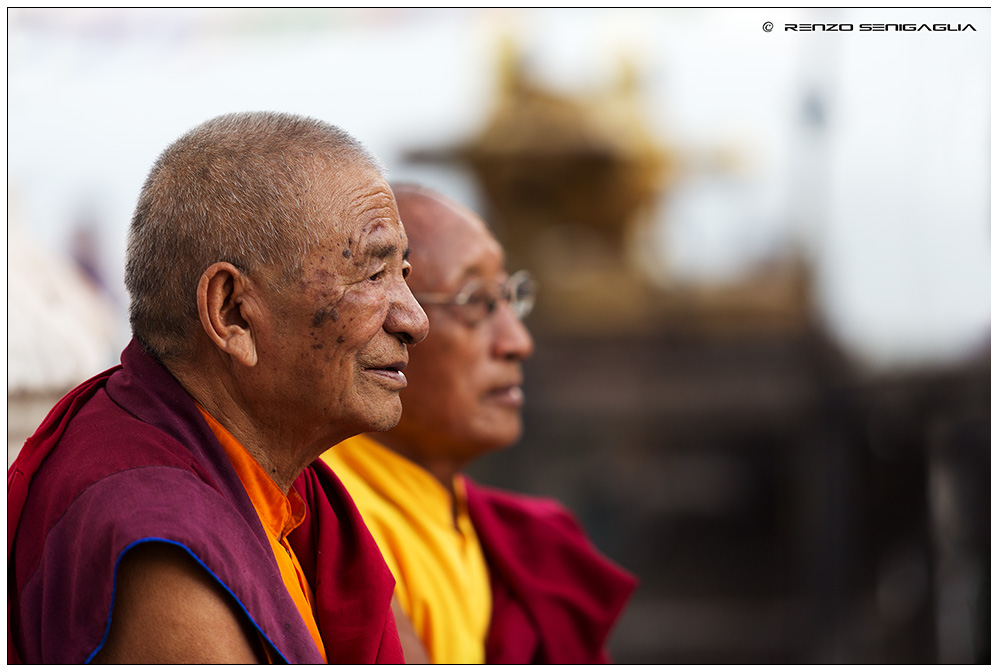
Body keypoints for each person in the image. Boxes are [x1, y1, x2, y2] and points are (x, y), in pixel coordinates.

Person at [7, 112, 430, 664]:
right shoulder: (159, 536)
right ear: (232, 313)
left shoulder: (289, 495)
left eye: (404, 274)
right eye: (374, 277)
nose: (414, 320)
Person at [322, 184, 637, 664]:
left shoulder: (505, 537)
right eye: (475, 301)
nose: (517, 342)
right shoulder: (324, 522)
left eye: (512, 296)